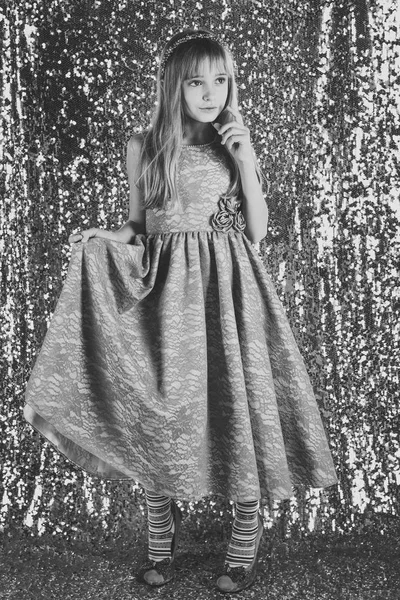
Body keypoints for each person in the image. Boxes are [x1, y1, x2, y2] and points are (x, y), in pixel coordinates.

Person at [24, 28, 337, 593]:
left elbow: (259, 232)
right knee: (160, 411)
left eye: (220, 81)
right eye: (197, 82)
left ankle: (243, 545)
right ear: (175, 86)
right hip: (165, 294)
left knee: (235, 406)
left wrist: (245, 161)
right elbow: (140, 226)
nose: (210, 93)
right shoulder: (143, 145)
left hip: (228, 292)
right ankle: (160, 542)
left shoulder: (233, 143)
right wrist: (106, 239)